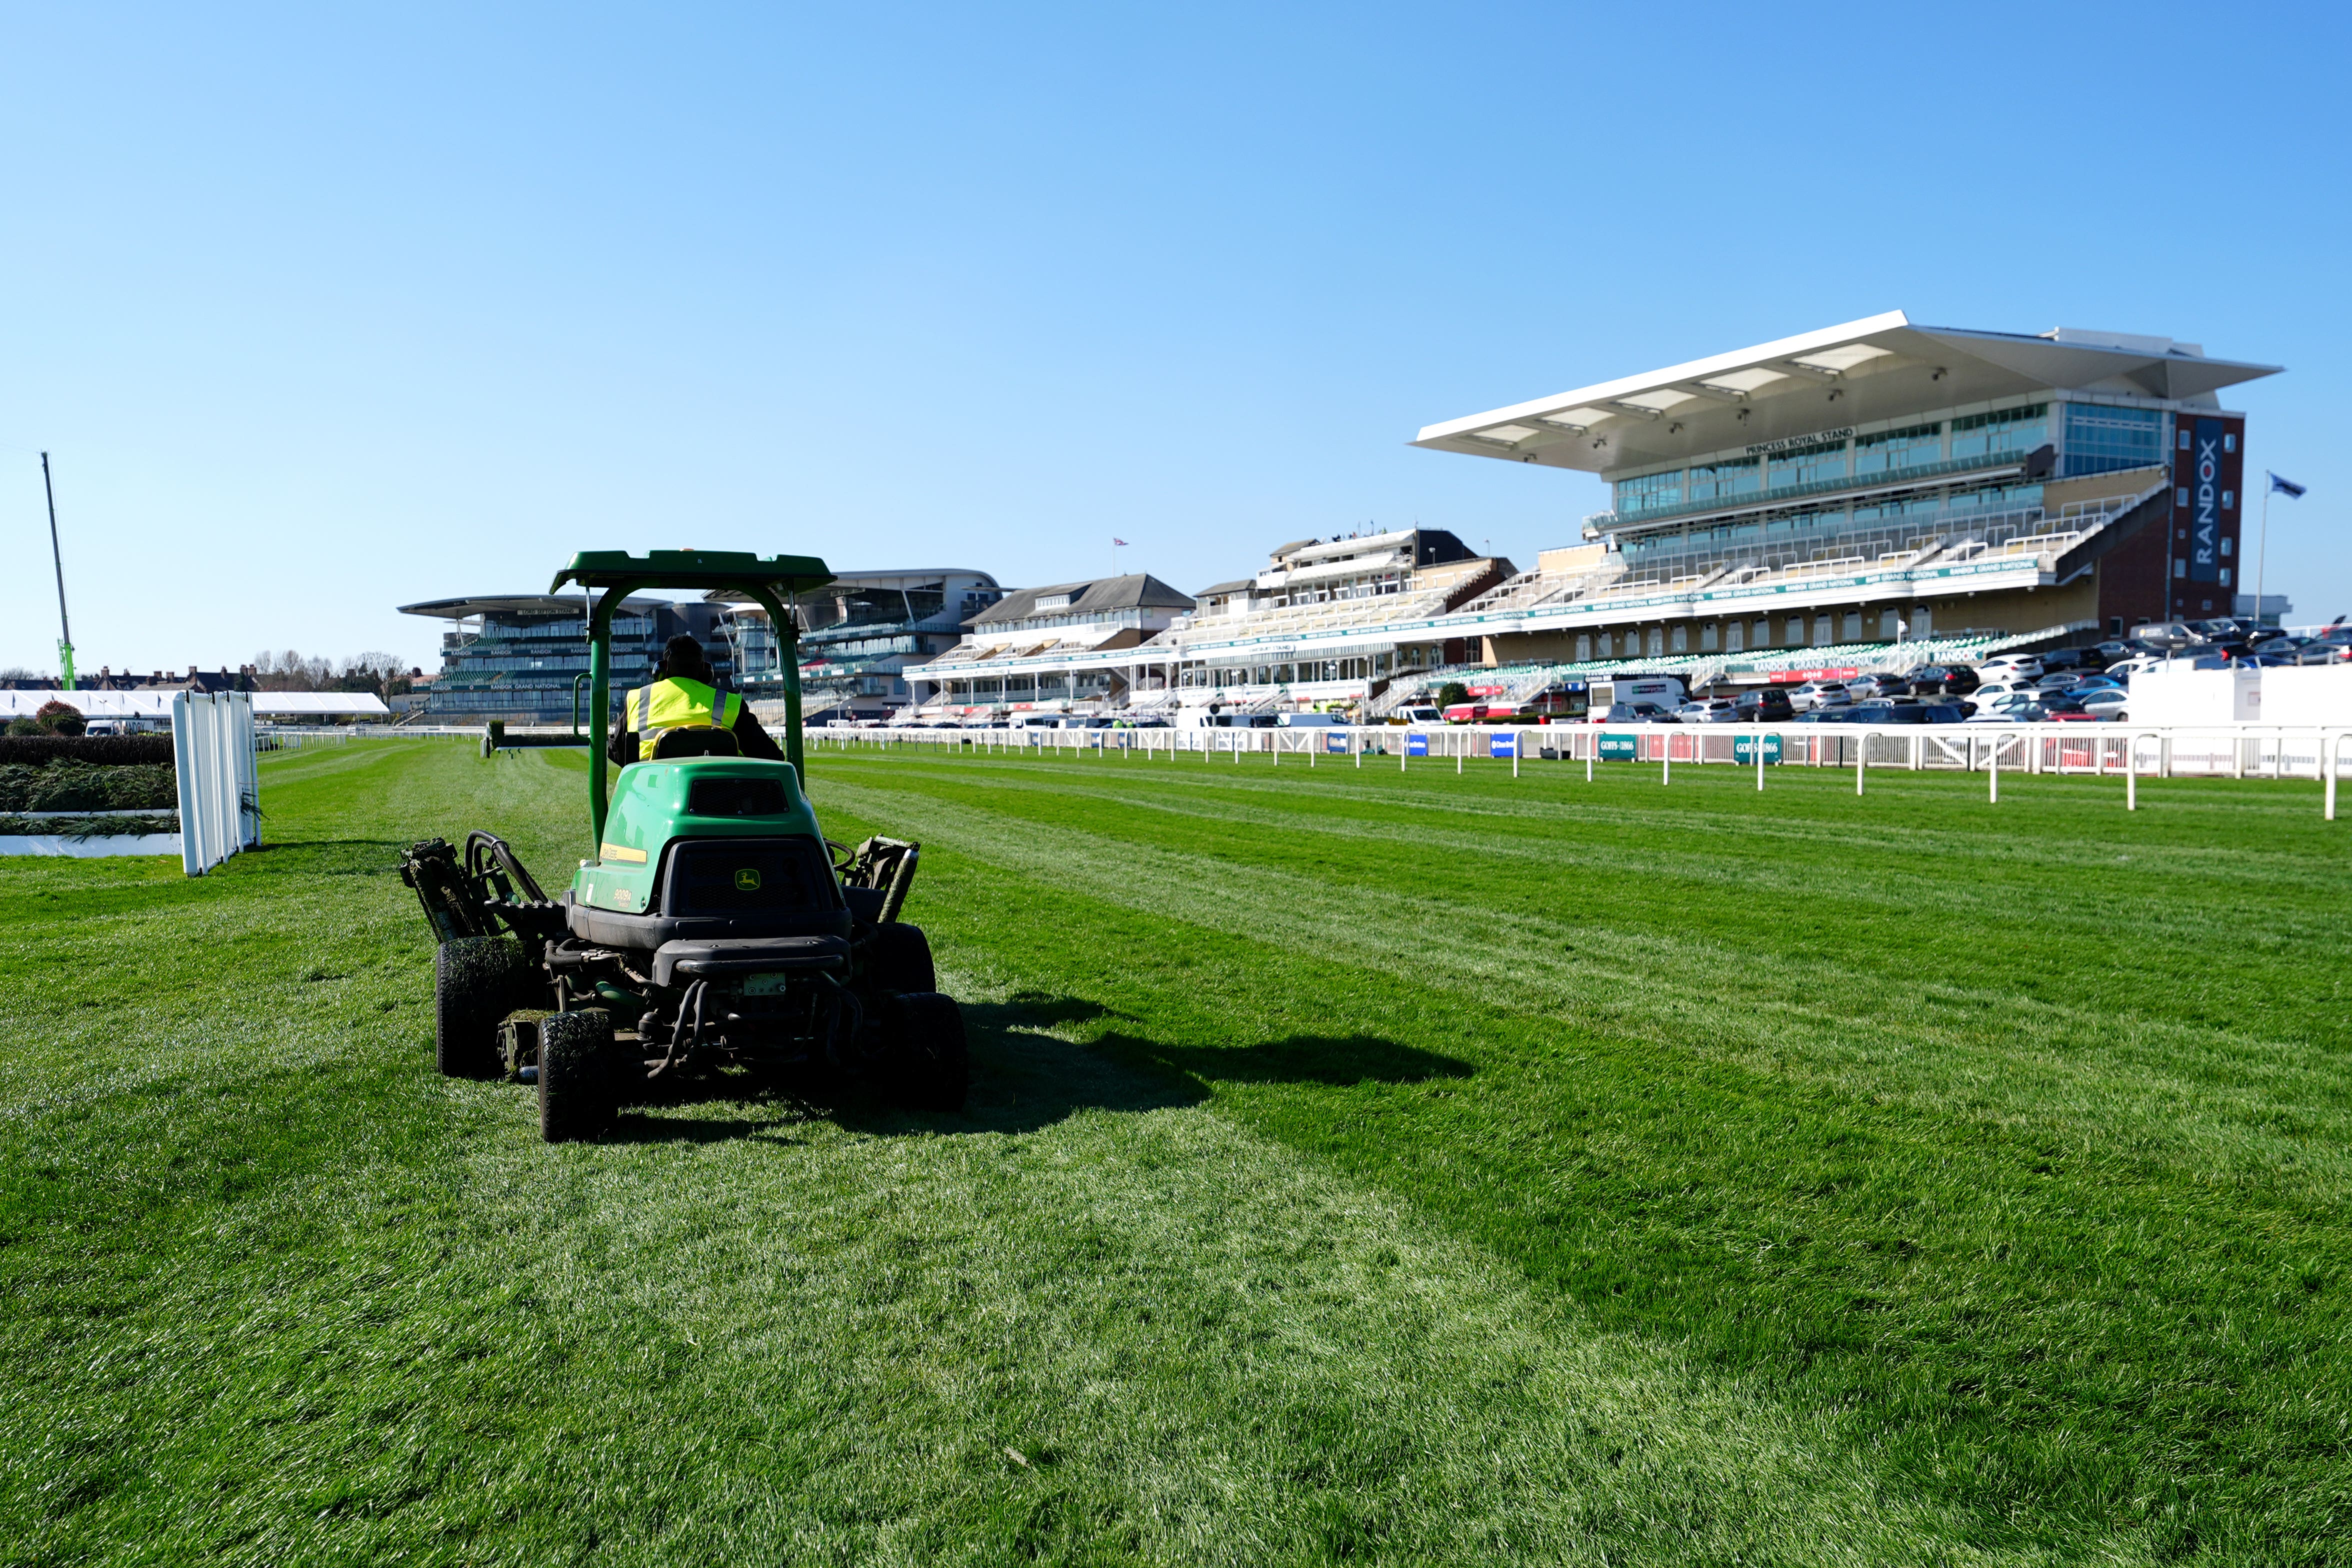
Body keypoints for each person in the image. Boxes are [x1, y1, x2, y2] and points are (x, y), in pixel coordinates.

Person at [608, 634, 785, 766]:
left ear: (662, 669)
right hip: (719, 797)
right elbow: (771, 756)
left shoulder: (637, 698)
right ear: (705, 670)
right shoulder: (730, 703)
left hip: (651, 795)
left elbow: (616, 751)